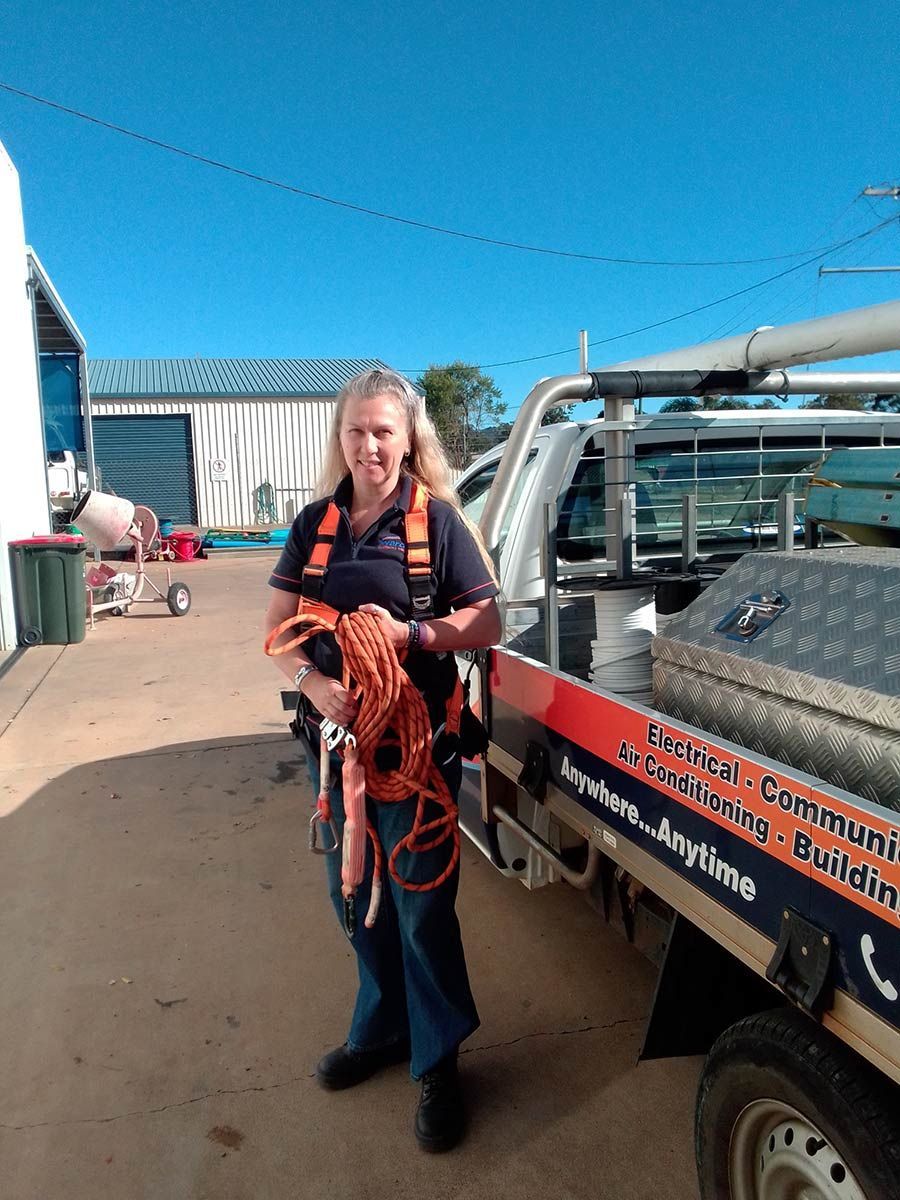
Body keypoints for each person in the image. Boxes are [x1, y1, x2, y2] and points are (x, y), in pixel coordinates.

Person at [264, 368, 501, 1152]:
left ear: (408, 440)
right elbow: (278, 628)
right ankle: (383, 1030)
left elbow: (486, 619)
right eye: (357, 430)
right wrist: (315, 683)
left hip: (415, 749)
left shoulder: (435, 524)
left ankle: (438, 1061)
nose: (370, 445)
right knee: (352, 895)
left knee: (421, 907)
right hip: (335, 752)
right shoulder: (314, 525)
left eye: (384, 431)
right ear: (341, 437)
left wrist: (413, 636)